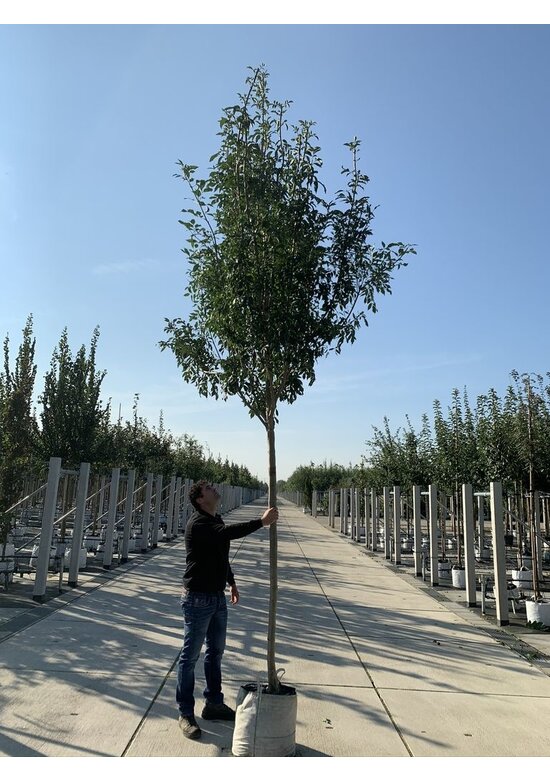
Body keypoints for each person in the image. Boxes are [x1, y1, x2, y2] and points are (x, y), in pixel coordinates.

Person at [176, 480, 278, 740]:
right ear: (200, 499)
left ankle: (213, 704)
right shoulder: (198, 524)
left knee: (216, 652)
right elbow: (225, 535)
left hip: (217, 598)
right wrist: (260, 522)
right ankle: (186, 713)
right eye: (208, 488)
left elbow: (221, 555)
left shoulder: (215, 519)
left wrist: (231, 582)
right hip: (197, 598)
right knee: (190, 658)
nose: (214, 489)